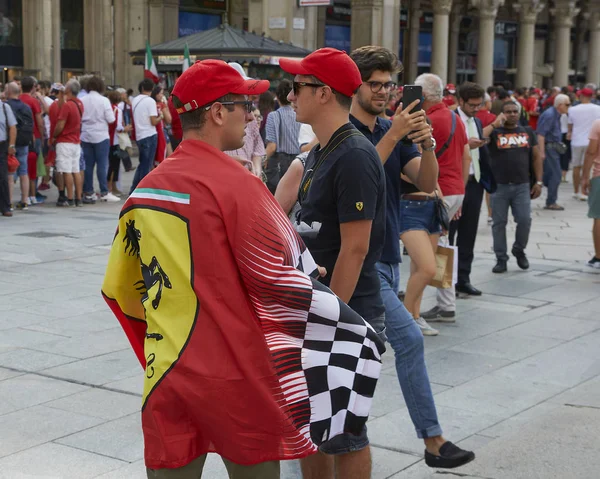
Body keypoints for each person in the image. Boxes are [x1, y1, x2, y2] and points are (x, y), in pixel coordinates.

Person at [102, 58, 384, 479]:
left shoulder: (145, 190)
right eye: (244, 106)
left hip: (168, 372)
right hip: (239, 376)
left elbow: (121, 291)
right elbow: (283, 277)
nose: (253, 115)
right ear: (217, 112)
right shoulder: (242, 187)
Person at [349, 46, 475, 467]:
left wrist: (427, 146)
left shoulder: (391, 127)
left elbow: (423, 180)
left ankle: (333, 435)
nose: (385, 92)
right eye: (376, 84)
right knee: (407, 341)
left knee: (372, 350)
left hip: (387, 256)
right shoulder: (345, 132)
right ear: (356, 84)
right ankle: (432, 441)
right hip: (359, 262)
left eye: (390, 84)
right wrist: (393, 135)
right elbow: (359, 173)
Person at [279, 46, 386, 479]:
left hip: (345, 309)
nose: (290, 96)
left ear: (322, 93)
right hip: (318, 305)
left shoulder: (354, 154)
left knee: (344, 431)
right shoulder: (324, 148)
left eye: (297, 87)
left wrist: (333, 319)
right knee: (311, 424)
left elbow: (355, 248)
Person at [415, 74, 471, 324]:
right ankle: (446, 303)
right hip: (455, 188)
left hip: (439, 190)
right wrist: (461, 192)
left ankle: (420, 301)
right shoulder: (454, 117)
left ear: (422, 96)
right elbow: (466, 156)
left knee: (428, 247)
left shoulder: (427, 120)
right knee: (441, 246)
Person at [452, 82, 499, 297]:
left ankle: (463, 278)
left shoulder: (477, 121)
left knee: (468, 234)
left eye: (479, 105)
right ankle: (446, 280)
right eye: (471, 105)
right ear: (461, 101)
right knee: (449, 235)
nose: (475, 108)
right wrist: (465, 145)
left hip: (474, 182)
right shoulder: (451, 119)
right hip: (454, 184)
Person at [488, 101, 543, 273]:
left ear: (519, 114)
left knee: (525, 220)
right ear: (501, 113)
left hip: (522, 185)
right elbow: (479, 139)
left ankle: (519, 249)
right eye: (508, 112)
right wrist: (493, 124)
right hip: (499, 186)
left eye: (514, 111)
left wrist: (539, 182)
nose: (512, 114)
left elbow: (536, 157)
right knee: (498, 224)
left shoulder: (527, 131)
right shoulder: (494, 133)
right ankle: (501, 258)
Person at [80, 76, 119, 203]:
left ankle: (88, 191)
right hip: (101, 135)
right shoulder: (104, 100)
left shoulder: (82, 99)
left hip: (85, 135)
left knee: (88, 165)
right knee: (102, 165)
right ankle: (104, 191)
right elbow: (111, 119)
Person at [48, 80, 84, 207]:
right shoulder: (79, 103)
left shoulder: (67, 105)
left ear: (68, 90)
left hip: (65, 141)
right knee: (76, 170)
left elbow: (60, 124)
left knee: (66, 170)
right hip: (76, 141)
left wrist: (54, 136)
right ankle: (78, 198)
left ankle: (69, 197)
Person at [264, 79, 301, 193]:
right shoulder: (301, 115)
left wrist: (261, 161)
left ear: (277, 97)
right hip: (299, 163)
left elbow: (272, 146)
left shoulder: (273, 116)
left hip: (280, 165)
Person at [537, 93, 571, 211]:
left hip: (553, 147)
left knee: (550, 174)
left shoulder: (555, 115)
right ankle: (551, 201)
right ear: (560, 105)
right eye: (567, 104)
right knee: (556, 175)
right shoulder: (550, 115)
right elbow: (541, 134)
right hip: (549, 148)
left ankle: (548, 193)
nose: (568, 107)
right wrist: (542, 152)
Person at [567, 88, 600, 201]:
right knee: (589, 167)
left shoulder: (572, 109)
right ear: (592, 97)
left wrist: (570, 133)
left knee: (576, 166)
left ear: (581, 96)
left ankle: (576, 191)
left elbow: (570, 127)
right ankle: (584, 191)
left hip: (576, 140)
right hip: (591, 140)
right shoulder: (598, 109)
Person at [129, 78, 160, 193]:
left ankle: (134, 189)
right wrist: (160, 117)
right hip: (149, 134)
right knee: (147, 165)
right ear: (152, 89)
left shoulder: (135, 100)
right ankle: (142, 191)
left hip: (139, 135)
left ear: (141, 88)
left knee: (142, 164)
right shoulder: (150, 101)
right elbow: (153, 121)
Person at [4, 81, 31, 210]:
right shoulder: (26, 107)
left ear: (8, 92)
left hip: (10, 143)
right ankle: (24, 200)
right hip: (24, 142)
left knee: (9, 174)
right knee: (24, 172)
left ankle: (9, 202)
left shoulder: (6, 106)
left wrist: (11, 144)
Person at [19, 76, 45, 205]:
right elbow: (39, 121)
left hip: (18, 137)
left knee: (22, 167)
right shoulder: (33, 101)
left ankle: (25, 195)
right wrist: (42, 135)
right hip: (34, 137)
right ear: (33, 87)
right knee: (34, 166)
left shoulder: (18, 99)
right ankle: (32, 194)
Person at [582, 118, 600, 268]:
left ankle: (599, 257)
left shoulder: (598, 123)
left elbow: (591, 152)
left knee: (599, 217)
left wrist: (584, 176)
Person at [107, 90, 130, 196]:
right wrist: (126, 128)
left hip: (107, 139)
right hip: (115, 140)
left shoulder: (108, 108)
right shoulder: (117, 110)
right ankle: (112, 187)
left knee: (110, 164)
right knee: (114, 165)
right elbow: (118, 127)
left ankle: (110, 186)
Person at [0, 93, 17, 216]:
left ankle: (5, 206)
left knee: (2, 176)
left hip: (2, 145)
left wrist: (11, 145)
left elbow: (12, 127)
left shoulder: (5, 107)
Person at [150, 85, 171, 166]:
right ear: (156, 94)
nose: (162, 95)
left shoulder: (151, 103)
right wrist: (165, 105)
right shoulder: (161, 104)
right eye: (161, 93)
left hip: (152, 132)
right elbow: (169, 119)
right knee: (169, 156)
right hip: (162, 131)